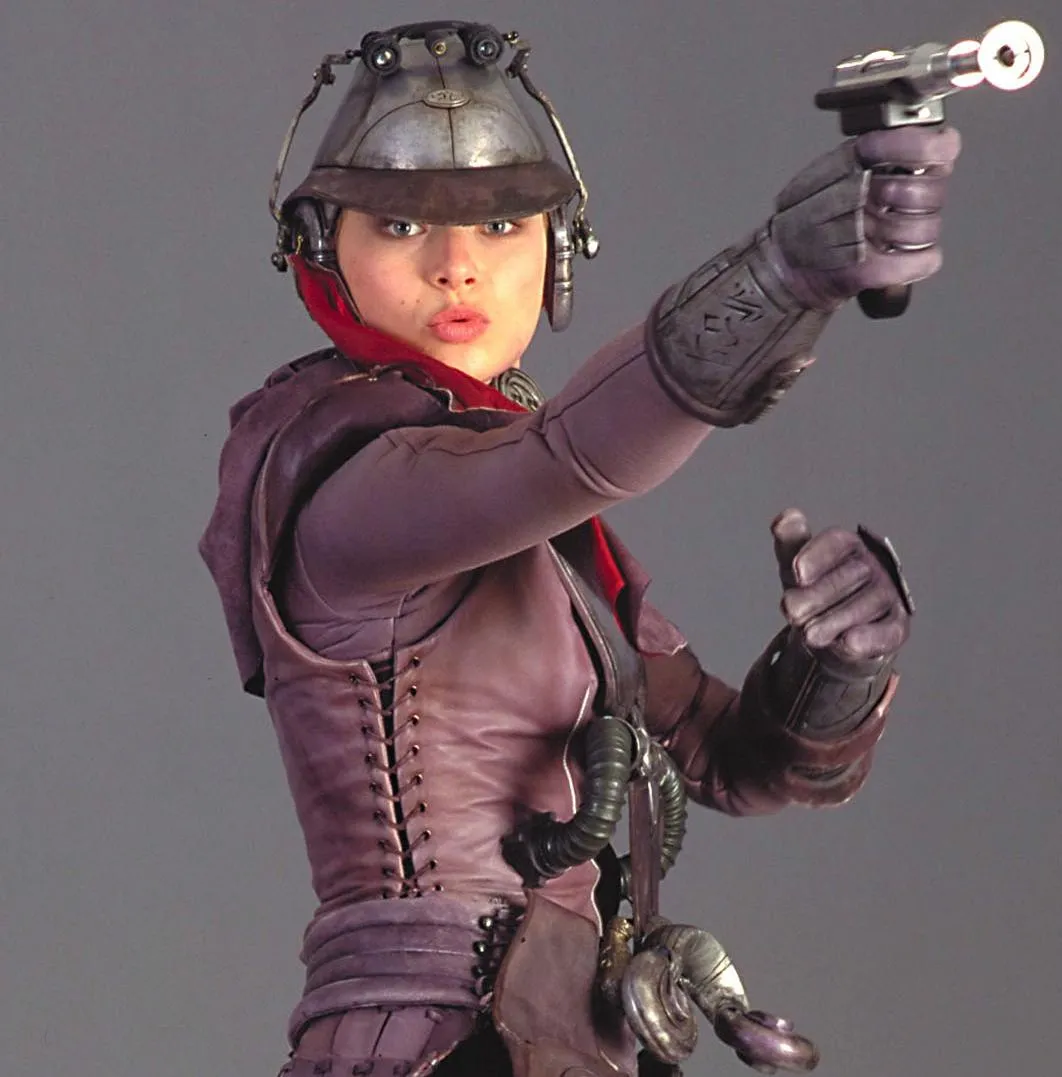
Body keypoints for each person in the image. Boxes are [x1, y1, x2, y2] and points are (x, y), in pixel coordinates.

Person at [199, 19, 957, 1077]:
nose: (459, 267)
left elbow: (733, 761)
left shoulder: (547, 542)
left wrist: (838, 660)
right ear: (326, 248)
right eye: (401, 225)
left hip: (576, 1035)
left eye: (503, 223)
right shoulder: (342, 478)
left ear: (557, 248)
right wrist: (785, 274)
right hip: (434, 1042)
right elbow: (566, 455)